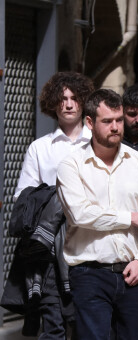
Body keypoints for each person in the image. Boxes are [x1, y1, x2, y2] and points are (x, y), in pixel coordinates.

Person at [56, 89, 138, 340]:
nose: (116, 127)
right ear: (89, 122)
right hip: (88, 274)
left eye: (119, 120)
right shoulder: (71, 165)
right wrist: (132, 217)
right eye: (107, 121)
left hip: (134, 274)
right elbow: (80, 214)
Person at [4, 72, 93, 339]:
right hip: (48, 252)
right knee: (52, 323)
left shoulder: (97, 143)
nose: (68, 104)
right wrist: (57, 197)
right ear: (53, 103)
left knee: (84, 323)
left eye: (74, 98)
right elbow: (23, 197)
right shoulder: (39, 148)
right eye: (62, 98)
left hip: (89, 244)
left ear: (83, 103)